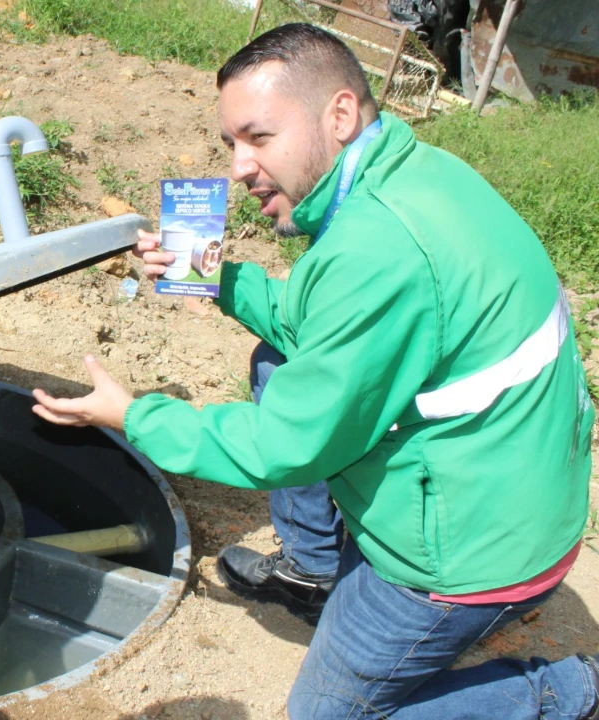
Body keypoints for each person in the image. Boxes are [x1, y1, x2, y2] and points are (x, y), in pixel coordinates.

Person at [31, 23, 599, 720]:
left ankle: (561, 692)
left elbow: (285, 444)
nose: (239, 167)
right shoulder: (409, 177)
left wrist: (134, 414)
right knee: (278, 360)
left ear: (338, 113)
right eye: (230, 144)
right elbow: (325, 324)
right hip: (510, 477)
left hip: (471, 555)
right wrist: (220, 281)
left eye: (258, 137)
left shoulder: (379, 248)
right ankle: (314, 566)